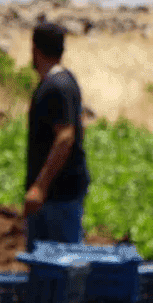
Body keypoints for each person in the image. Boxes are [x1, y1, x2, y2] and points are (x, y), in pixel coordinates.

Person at [23, 21, 90, 245]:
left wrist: (40, 188)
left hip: (57, 196)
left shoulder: (56, 87)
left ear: (35, 49)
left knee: (61, 267)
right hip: (59, 193)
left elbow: (65, 137)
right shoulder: (64, 82)